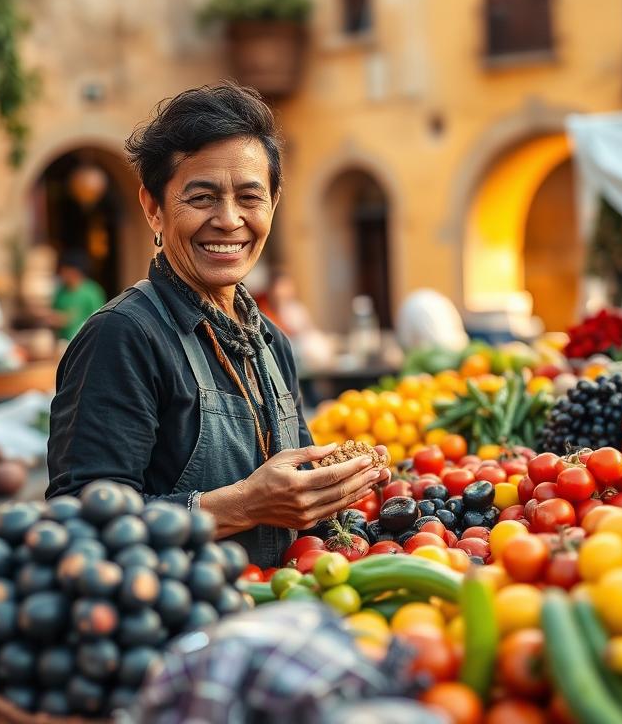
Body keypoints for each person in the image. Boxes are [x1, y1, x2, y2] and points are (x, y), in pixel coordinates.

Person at [46, 83, 390, 568]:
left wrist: (337, 494)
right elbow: (78, 523)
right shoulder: (123, 336)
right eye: (203, 197)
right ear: (153, 208)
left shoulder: (271, 342)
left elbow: (301, 507)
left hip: (273, 613)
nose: (229, 221)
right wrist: (242, 506)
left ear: (272, 204)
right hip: (177, 628)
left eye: (250, 197)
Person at [51, 250, 106, 341]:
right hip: (63, 342)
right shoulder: (61, 291)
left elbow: (100, 319)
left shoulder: (91, 292)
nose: (62, 274)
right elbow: (54, 313)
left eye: (65, 270)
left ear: (75, 271)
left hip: (84, 341)